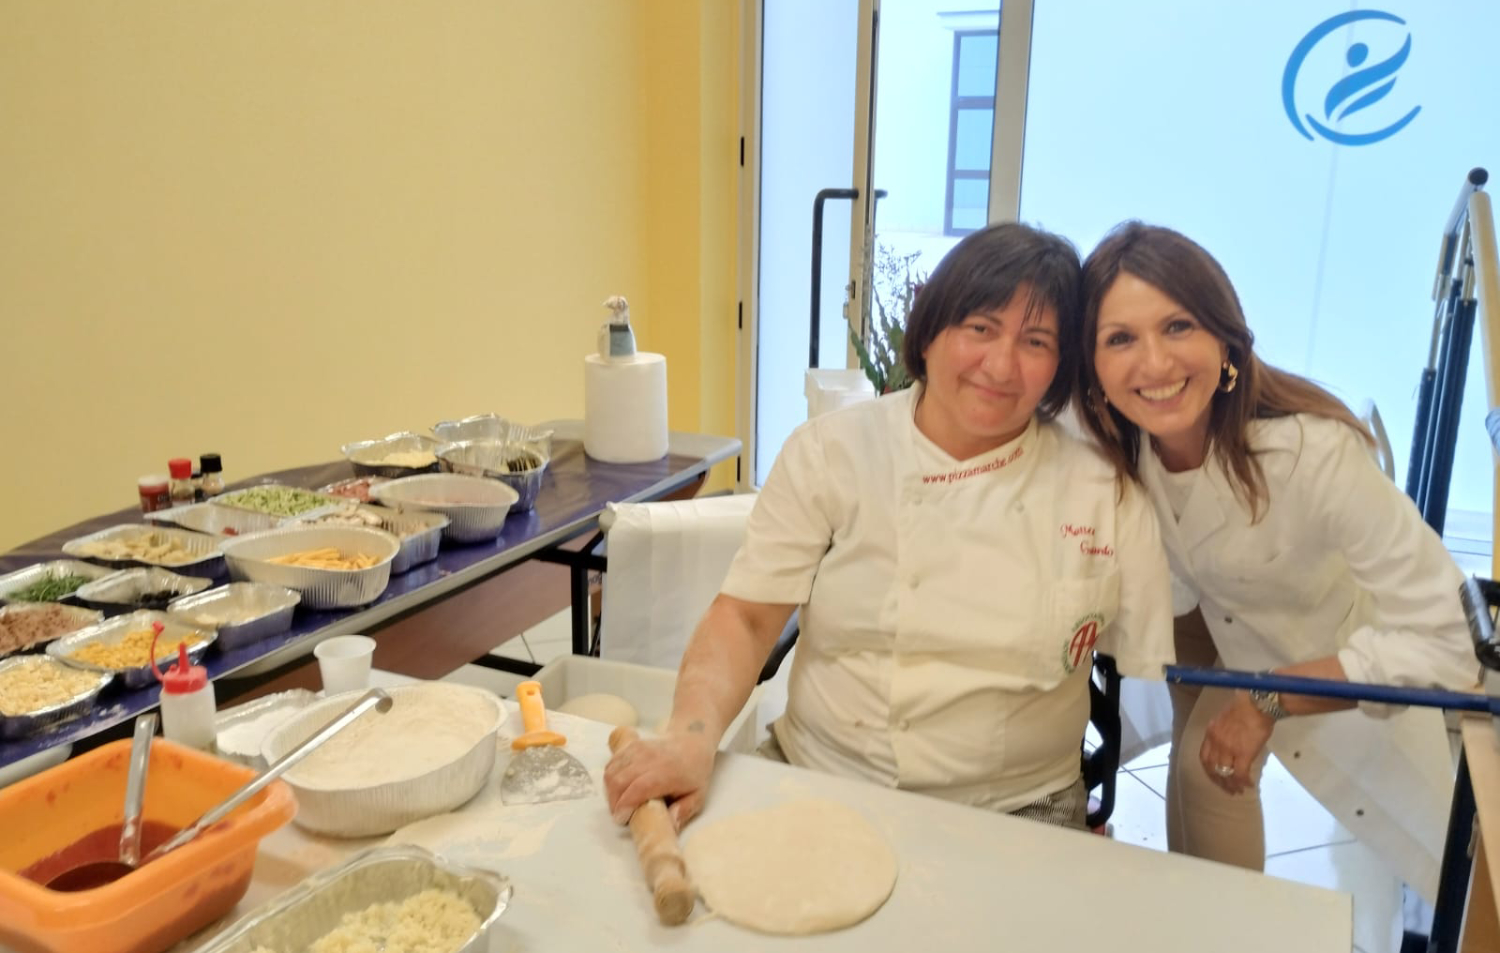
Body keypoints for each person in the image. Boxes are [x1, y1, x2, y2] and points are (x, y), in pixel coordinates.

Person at [604, 222, 1174, 833]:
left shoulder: (1103, 490)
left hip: (1021, 803)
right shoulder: (832, 452)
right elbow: (746, 617)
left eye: (1035, 342)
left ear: (1060, 367)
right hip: (821, 770)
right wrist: (690, 737)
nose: (1001, 365)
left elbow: (1165, 663)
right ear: (929, 333)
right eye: (980, 328)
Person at [1073, 221, 1477, 897]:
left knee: (1215, 771)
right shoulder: (1116, 433)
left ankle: (1225, 925)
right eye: (1120, 338)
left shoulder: (1311, 454)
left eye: (1177, 326)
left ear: (1225, 337)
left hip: (1309, 642)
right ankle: (1194, 914)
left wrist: (1270, 696)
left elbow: (1453, 638)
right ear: (1092, 365)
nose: (1154, 364)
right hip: (1197, 609)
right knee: (1196, 767)